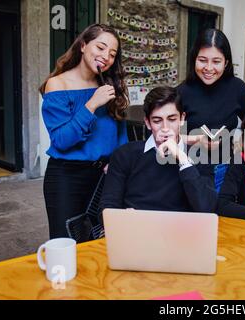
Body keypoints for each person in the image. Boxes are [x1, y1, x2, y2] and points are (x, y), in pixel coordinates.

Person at [40, 24, 129, 239]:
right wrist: (91, 104)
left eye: (112, 54)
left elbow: (121, 135)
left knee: (99, 240)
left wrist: (117, 164)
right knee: (68, 241)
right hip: (67, 177)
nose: (105, 56)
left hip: (103, 177)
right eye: (100, 47)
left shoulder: (109, 85)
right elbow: (61, 140)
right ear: (82, 45)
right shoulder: (57, 84)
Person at [100, 86, 217, 213]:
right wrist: (122, 216)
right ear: (148, 123)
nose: (165, 128)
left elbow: (207, 208)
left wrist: (182, 159)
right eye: (157, 121)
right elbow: (106, 209)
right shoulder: (125, 154)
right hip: (137, 228)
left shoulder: (200, 156)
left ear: (182, 119)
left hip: (181, 230)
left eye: (172, 119)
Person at [177, 28, 245, 191]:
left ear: (226, 63)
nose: (208, 68)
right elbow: (163, 137)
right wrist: (194, 139)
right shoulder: (181, 92)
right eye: (202, 60)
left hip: (227, 171)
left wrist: (240, 141)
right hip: (189, 171)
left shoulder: (238, 88)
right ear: (194, 60)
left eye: (216, 61)